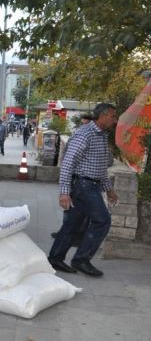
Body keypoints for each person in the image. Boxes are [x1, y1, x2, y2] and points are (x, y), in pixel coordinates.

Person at [47, 103, 118, 277]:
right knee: (102, 221)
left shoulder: (101, 135)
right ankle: (81, 260)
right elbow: (67, 164)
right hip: (83, 186)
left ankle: (55, 258)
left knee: (73, 223)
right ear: (103, 115)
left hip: (90, 185)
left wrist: (108, 189)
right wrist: (64, 192)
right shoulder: (84, 134)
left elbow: (99, 167)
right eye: (113, 116)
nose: (115, 120)